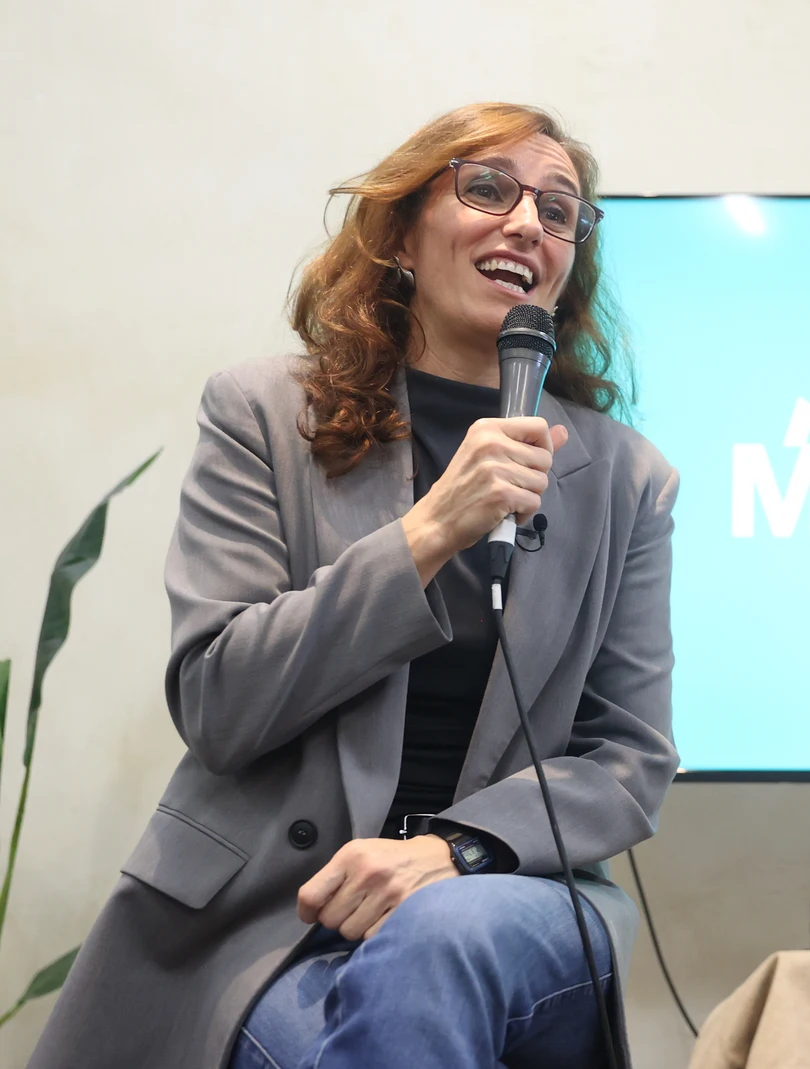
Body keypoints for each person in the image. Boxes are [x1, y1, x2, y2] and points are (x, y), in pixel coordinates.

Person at [30, 102, 680, 1069]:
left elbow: (627, 756)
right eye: (488, 189)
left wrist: (451, 853)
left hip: (511, 897)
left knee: (438, 934)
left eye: (558, 210)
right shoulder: (262, 414)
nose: (527, 225)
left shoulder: (627, 477)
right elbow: (219, 701)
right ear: (404, 233)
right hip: (271, 916)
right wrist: (427, 533)